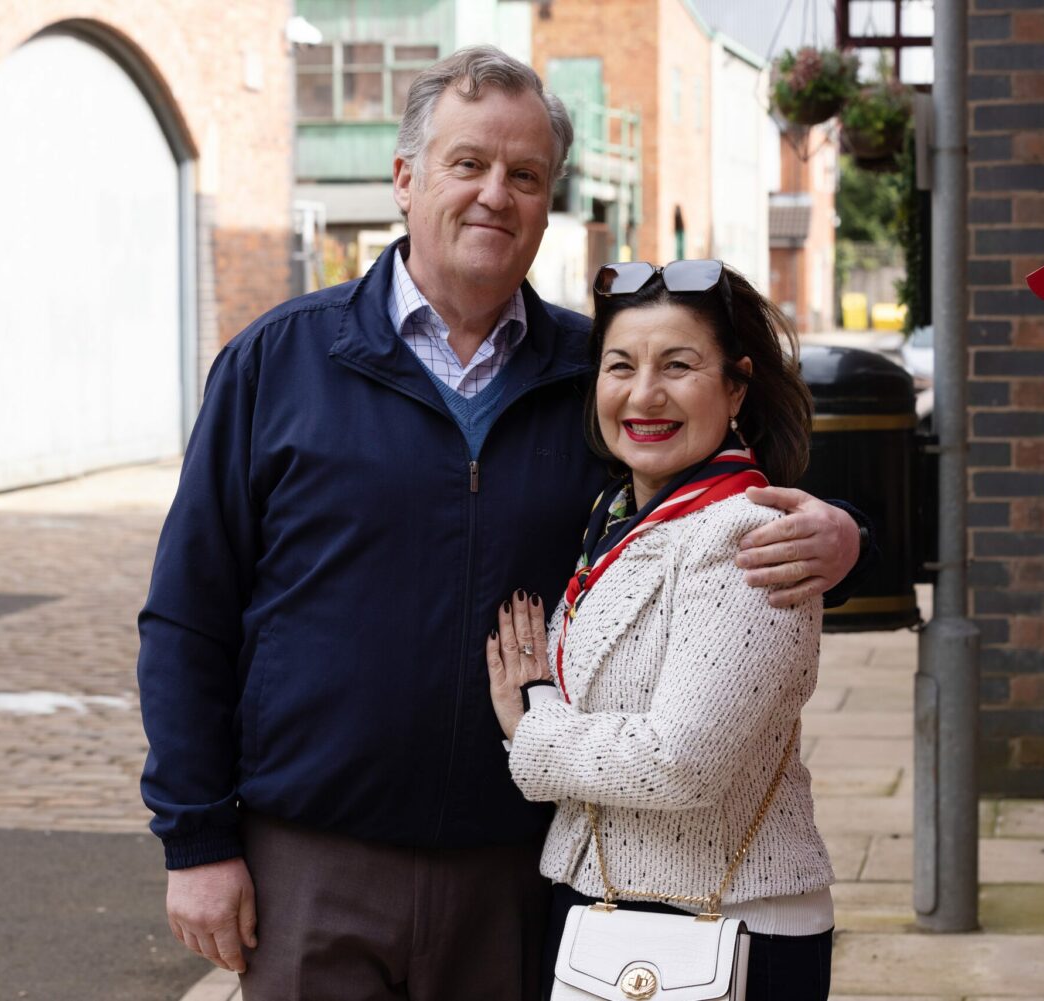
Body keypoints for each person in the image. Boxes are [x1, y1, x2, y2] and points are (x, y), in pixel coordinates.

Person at [136, 46, 867, 1001]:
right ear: (405, 178)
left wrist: (846, 540)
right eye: (468, 164)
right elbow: (189, 613)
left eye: (525, 175)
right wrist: (195, 838)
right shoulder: (278, 364)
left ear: (549, 199)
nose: (495, 194)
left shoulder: (600, 375)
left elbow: (726, 507)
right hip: (312, 864)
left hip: (524, 874)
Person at [487, 260, 835, 999]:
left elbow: (681, 762)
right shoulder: (620, 517)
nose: (644, 394)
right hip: (617, 910)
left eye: (678, 366)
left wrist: (532, 727)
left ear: (736, 385)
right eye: (621, 366)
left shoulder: (741, 533)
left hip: (725, 924)